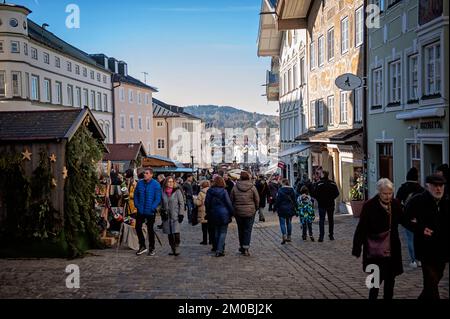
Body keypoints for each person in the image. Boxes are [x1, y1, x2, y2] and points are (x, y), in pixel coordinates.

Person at [352, 178, 404, 300]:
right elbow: (361, 228)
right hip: (374, 252)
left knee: (390, 284)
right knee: (374, 284)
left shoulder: (395, 204)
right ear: (379, 192)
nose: (387, 196)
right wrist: (357, 247)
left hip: (391, 251)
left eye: (390, 193)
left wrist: (418, 227)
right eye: (384, 193)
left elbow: (404, 220)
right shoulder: (369, 206)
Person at [404, 174, 449, 299]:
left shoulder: (446, 201)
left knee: (435, 279)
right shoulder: (418, 200)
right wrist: (420, 229)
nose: (438, 189)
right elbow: (405, 219)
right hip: (425, 249)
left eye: (441, 186)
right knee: (431, 281)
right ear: (428, 186)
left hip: (443, 250)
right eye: (435, 186)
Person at [395, 167, 424, 268]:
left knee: (410, 239)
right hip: (419, 218)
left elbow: (397, 202)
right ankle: (419, 259)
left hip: (407, 218)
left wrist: (403, 210)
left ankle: (413, 261)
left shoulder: (403, 188)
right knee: (419, 239)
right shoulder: (421, 189)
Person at [230, 171, 260, 256]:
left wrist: (233, 209)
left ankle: (242, 246)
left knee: (241, 229)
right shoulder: (252, 187)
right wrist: (255, 208)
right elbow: (257, 199)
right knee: (248, 229)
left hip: (238, 211)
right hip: (250, 211)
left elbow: (231, 199)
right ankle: (246, 247)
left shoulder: (235, 187)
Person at [133, 168, 162, 256]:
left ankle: (152, 248)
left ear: (151, 175)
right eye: (144, 173)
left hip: (150, 211)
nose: (144, 174)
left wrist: (153, 207)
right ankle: (142, 246)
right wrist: (137, 204)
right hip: (140, 210)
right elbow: (136, 194)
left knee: (150, 230)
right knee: (138, 227)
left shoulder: (156, 184)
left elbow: (158, 198)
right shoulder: (140, 183)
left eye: (147, 173)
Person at [204, 176, 234, 257]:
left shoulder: (210, 191)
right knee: (223, 232)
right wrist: (232, 212)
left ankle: (217, 247)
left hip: (213, 213)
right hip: (223, 213)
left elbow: (206, 203)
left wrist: (208, 211)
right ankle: (219, 250)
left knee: (216, 232)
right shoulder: (224, 191)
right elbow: (228, 203)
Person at [161, 176, 185, 256]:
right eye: (169, 182)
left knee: (176, 232)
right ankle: (172, 248)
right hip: (166, 216)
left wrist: (181, 214)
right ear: (166, 183)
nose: (170, 183)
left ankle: (177, 246)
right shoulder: (163, 192)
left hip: (175, 215)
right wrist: (161, 211)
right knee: (169, 233)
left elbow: (181, 203)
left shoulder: (177, 191)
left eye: (172, 182)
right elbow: (161, 203)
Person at [313, 170, 339, 242]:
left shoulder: (319, 184)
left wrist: (319, 199)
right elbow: (337, 193)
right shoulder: (333, 183)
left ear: (323, 175)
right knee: (331, 220)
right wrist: (331, 198)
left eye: (321, 174)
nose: (319, 175)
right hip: (330, 204)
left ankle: (321, 237)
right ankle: (331, 235)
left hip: (322, 204)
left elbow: (314, 194)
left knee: (322, 220)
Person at [274, 179, 297, 244]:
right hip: (290, 208)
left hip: (282, 209)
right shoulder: (292, 190)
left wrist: (275, 208)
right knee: (289, 222)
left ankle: (284, 235)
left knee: (282, 223)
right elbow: (294, 200)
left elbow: (278, 200)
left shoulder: (280, 190)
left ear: (283, 183)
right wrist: (296, 208)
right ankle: (289, 236)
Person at [194, 180, 213, 245]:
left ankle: (204, 241)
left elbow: (198, 203)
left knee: (204, 228)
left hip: (203, 212)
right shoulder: (212, 191)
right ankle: (211, 241)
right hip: (210, 211)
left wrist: (195, 199)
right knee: (210, 228)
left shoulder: (201, 193)